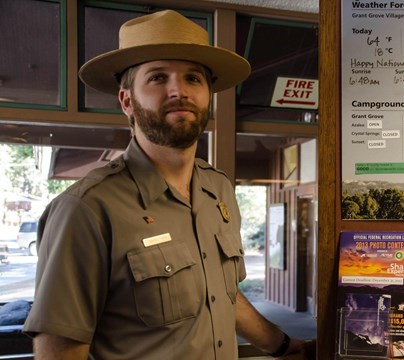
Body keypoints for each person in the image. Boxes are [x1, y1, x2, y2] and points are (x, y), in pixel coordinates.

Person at [23, 9, 306, 359]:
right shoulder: (86, 209)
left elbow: (222, 295)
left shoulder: (218, 191)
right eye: (158, 78)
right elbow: (60, 351)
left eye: (193, 79)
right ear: (127, 101)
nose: (179, 91)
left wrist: (285, 346)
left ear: (207, 96)